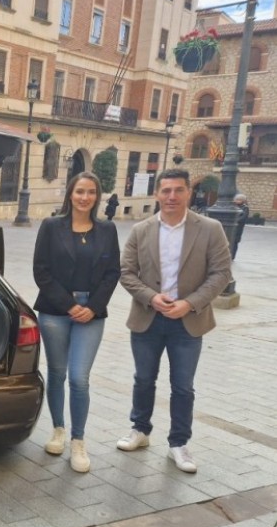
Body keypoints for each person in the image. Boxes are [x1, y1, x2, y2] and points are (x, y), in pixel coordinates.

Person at [116, 169, 232, 473]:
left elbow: (221, 273)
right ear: (157, 194)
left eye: (178, 190)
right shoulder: (141, 230)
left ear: (188, 194)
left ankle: (178, 444)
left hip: (188, 321)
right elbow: (126, 273)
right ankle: (140, 430)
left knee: (182, 386)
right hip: (147, 319)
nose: (171, 197)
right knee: (143, 379)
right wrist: (151, 297)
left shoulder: (210, 228)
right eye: (166, 191)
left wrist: (189, 303)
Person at [33, 172, 121, 473]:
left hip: (91, 314)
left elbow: (113, 273)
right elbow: (41, 271)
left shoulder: (107, 229)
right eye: (80, 191)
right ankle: (58, 429)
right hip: (56, 311)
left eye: (91, 192)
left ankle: (78, 441)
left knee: (79, 378)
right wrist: (69, 305)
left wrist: (92, 307)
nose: (85, 197)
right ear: (70, 194)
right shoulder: (51, 226)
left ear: (98, 196)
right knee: (57, 373)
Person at [231, 193, 250, 260]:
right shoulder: (233, 206)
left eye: (239, 200)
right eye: (236, 199)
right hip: (232, 226)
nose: (237, 201)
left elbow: (243, 217)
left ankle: (232, 256)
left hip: (238, 227)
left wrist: (234, 221)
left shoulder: (245, 208)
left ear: (243, 200)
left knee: (235, 242)